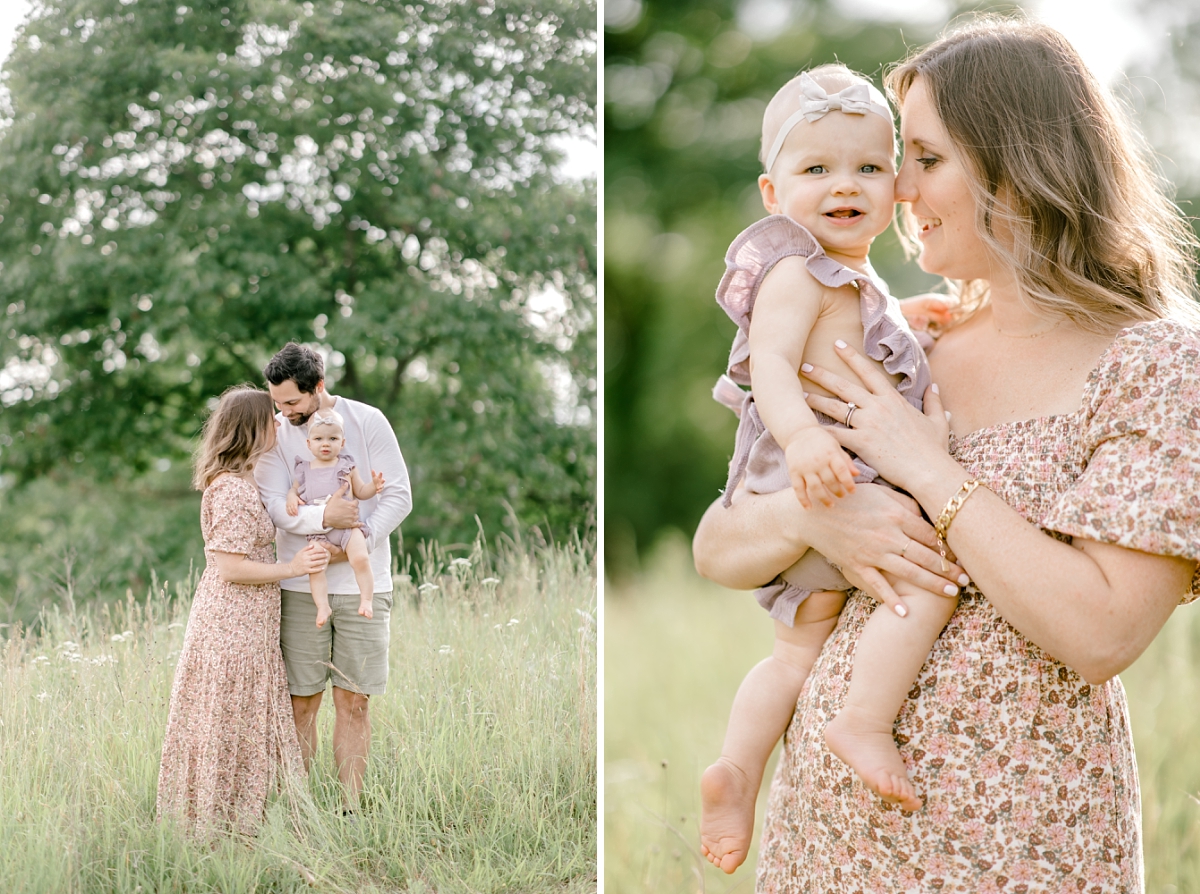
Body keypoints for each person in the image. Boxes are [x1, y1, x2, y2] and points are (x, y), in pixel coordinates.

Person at [692, 17, 1200, 892]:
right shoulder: (908, 348)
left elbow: (1103, 632)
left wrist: (929, 470)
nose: (896, 189)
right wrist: (827, 515)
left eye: (922, 158)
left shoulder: (1155, 364)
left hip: (1023, 835)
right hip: (829, 836)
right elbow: (717, 544)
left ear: (1016, 164)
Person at [699, 64, 958, 874]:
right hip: (813, 480)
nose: (844, 185)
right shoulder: (790, 270)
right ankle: (864, 720)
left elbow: (851, 335)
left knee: (790, 658)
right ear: (774, 194)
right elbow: (770, 367)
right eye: (817, 169)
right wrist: (806, 439)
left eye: (868, 167)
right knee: (924, 583)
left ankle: (738, 770)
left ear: (896, 186)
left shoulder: (856, 279)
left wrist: (905, 322)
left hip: (828, 495)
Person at [157, 385, 331, 838]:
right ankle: (219, 826)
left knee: (235, 719)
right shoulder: (233, 491)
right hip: (232, 620)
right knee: (227, 717)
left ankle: (235, 822)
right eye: (269, 417)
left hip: (246, 619)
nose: (278, 422)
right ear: (250, 427)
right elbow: (231, 567)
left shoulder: (244, 481)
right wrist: (291, 566)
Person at [255, 343, 412, 811]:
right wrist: (327, 515)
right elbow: (275, 507)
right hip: (302, 587)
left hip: (364, 582)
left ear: (318, 388)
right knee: (301, 703)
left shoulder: (368, 420)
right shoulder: (275, 433)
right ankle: (300, 809)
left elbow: (398, 497)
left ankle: (349, 808)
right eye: (276, 402)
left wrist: (353, 540)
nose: (283, 412)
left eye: (291, 402)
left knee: (354, 701)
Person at [285, 407, 386, 627]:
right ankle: (322, 606)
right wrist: (292, 497)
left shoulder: (346, 466)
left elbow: (360, 491)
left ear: (342, 442)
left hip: (348, 529)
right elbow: (294, 489)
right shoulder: (304, 469)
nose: (325, 443)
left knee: (360, 558)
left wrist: (374, 487)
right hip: (320, 533)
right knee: (316, 567)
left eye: (332, 438)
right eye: (319, 438)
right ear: (309, 443)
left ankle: (366, 599)